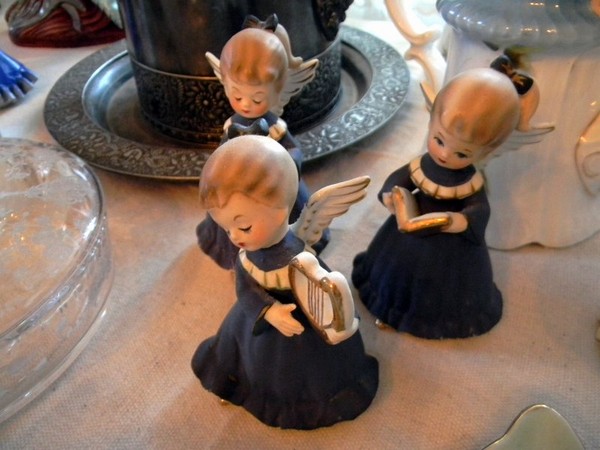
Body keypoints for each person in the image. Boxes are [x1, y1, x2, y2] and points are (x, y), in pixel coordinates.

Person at [192, 135, 378, 429]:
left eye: (243, 226)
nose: (235, 237)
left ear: (280, 211)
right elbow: (244, 289)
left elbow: (324, 291)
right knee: (247, 357)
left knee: (302, 370)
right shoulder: (246, 257)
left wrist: (332, 309)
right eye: (226, 229)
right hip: (263, 323)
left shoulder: (301, 257)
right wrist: (269, 311)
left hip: (305, 326)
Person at [352, 68, 520, 339]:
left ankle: (427, 321)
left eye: (462, 153)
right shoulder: (421, 165)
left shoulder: (470, 182)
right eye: (439, 140)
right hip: (403, 237)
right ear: (431, 122)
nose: (445, 154)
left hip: (450, 251)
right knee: (395, 274)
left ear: (486, 152)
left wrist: (459, 221)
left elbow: (479, 210)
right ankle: (389, 309)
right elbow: (397, 180)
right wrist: (391, 197)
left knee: (441, 289)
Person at [196, 15, 325, 270]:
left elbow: (294, 149)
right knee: (232, 217)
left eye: (257, 99)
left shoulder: (275, 127)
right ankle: (236, 256)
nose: (245, 104)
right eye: (237, 96)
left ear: (278, 91)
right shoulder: (231, 126)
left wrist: (285, 164)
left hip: (270, 188)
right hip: (236, 192)